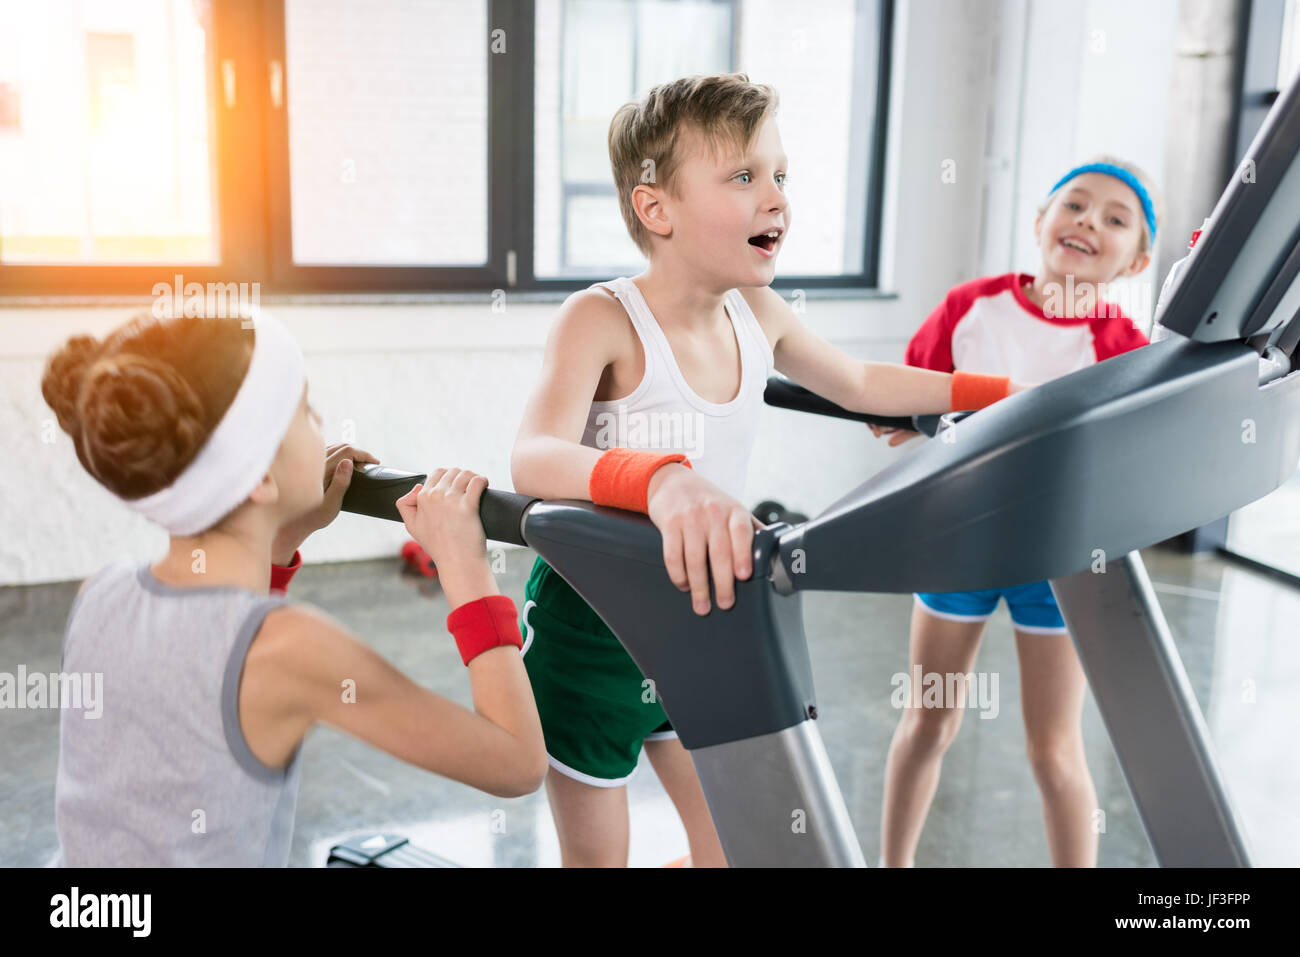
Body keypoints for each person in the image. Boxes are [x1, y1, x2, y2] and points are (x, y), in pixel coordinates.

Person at [510, 73, 1027, 867]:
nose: (777, 198)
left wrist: (1002, 398)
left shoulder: (759, 314)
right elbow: (534, 456)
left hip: (703, 613)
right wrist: (660, 477)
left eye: (780, 174)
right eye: (744, 177)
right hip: (593, 634)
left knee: (734, 852)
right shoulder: (602, 318)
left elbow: (859, 384)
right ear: (658, 209)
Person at [43, 308, 546, 866]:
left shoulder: (100, 594)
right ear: (259, 476)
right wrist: (466, 567)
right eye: (304, 410)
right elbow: (517, 763)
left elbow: (211, 664)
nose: (322, 422)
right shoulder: (293, 647)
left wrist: (280, 539)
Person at [876, 155, 1161, 867]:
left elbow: (1128, 466)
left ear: (1138, 259)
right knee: (926, 724)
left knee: (1054, 749)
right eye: (1075, 205)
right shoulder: (970, 306)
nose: (1090, 221)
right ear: (1040, 221)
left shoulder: (1125, 349)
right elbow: (899, 411)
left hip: (1058, 561)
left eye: (1116, 218)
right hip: (958, 544)